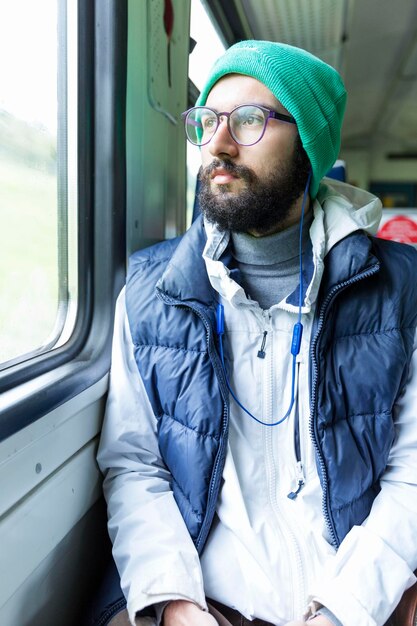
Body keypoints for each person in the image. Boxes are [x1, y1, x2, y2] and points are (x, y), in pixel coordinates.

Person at [97, 40, 417, 626]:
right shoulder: (150, 293)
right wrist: (173, 604)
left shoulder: (401, 290)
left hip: (364, 597)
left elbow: (413, 469)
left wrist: (348, 609)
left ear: (309, 146)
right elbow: (135, 465)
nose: (217, 144)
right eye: (207, 121)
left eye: (249, 121)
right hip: (208, 601)